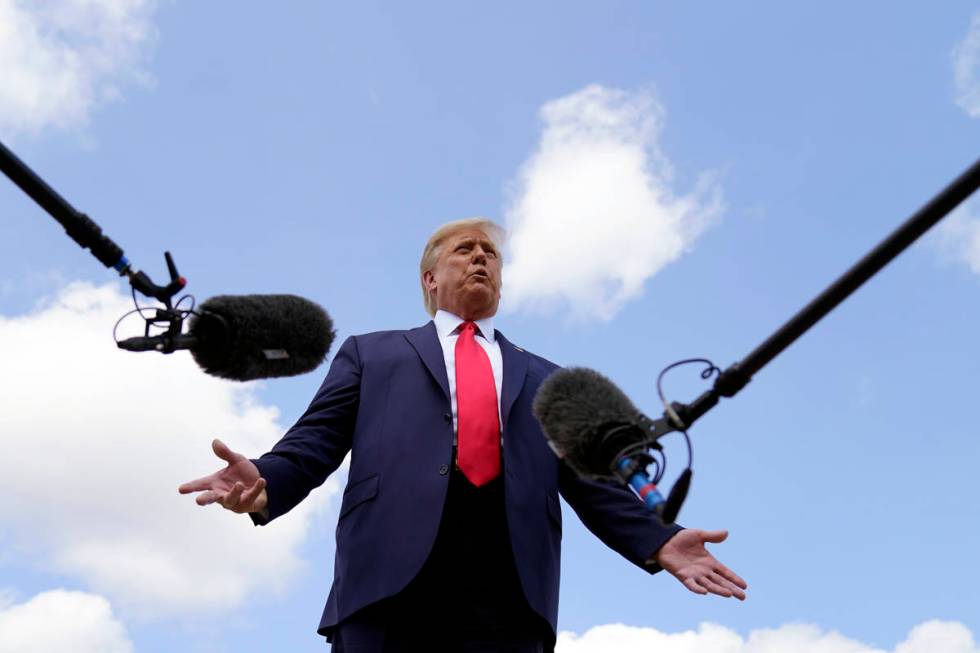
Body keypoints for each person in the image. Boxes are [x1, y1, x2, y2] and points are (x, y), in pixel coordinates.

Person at [179, 218, 747, 652]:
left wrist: (658, 538)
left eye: (491, 253)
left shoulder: (548, 377)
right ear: (430, 278)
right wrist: (266, 481)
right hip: (388, 582)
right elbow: (314, 443)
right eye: (464, 250)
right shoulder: (372, 353)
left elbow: (589, 479)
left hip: (509, 587)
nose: (481, 258)